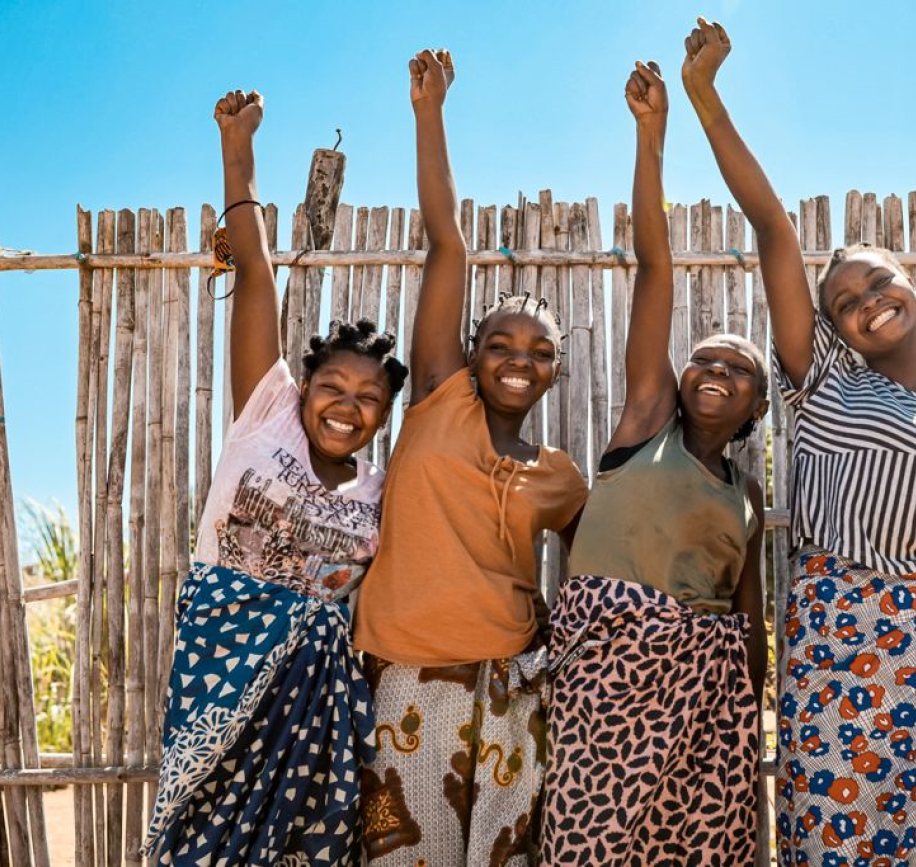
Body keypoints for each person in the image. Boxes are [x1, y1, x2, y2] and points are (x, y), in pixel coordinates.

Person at [680, 18, 916, 865]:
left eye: (878, 278)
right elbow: (775, 229)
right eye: (846, 298)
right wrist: (706, 101)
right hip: (834, 647)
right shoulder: (822, 384)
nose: (868, 299)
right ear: (834, 329)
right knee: (826, 842)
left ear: (910, 281)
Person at [143, 88, 408, 865]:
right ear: (304, 385)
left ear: (384, 415)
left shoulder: (381, 490)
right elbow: (254, 272)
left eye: (368, 399)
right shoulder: (267, 416)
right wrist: (238, 150)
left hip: (315, 710)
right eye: (333, 387)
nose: (346, 407)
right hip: (219, 674)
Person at [352, 50, 587, 866]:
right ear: (471, 352)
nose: (519, 358)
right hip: (406, 678)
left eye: (540, 349)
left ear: (557, 367)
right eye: (501, 342)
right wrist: (430, 111)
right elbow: (446, 243)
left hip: (512, 687)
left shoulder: (561, 476)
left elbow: (590, 576)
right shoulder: (440, 399)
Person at [541, 58, 767, 866]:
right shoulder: (645, 426)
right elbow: (655, 273)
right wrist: (651, 137)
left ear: (757, 405)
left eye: (737, 368)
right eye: (703, 359)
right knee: (587, 839)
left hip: (708, 698)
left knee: (698, 846)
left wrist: (748, 704)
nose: (714, 370)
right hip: (607, 675)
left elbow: (749, 619)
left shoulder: (748, 496)